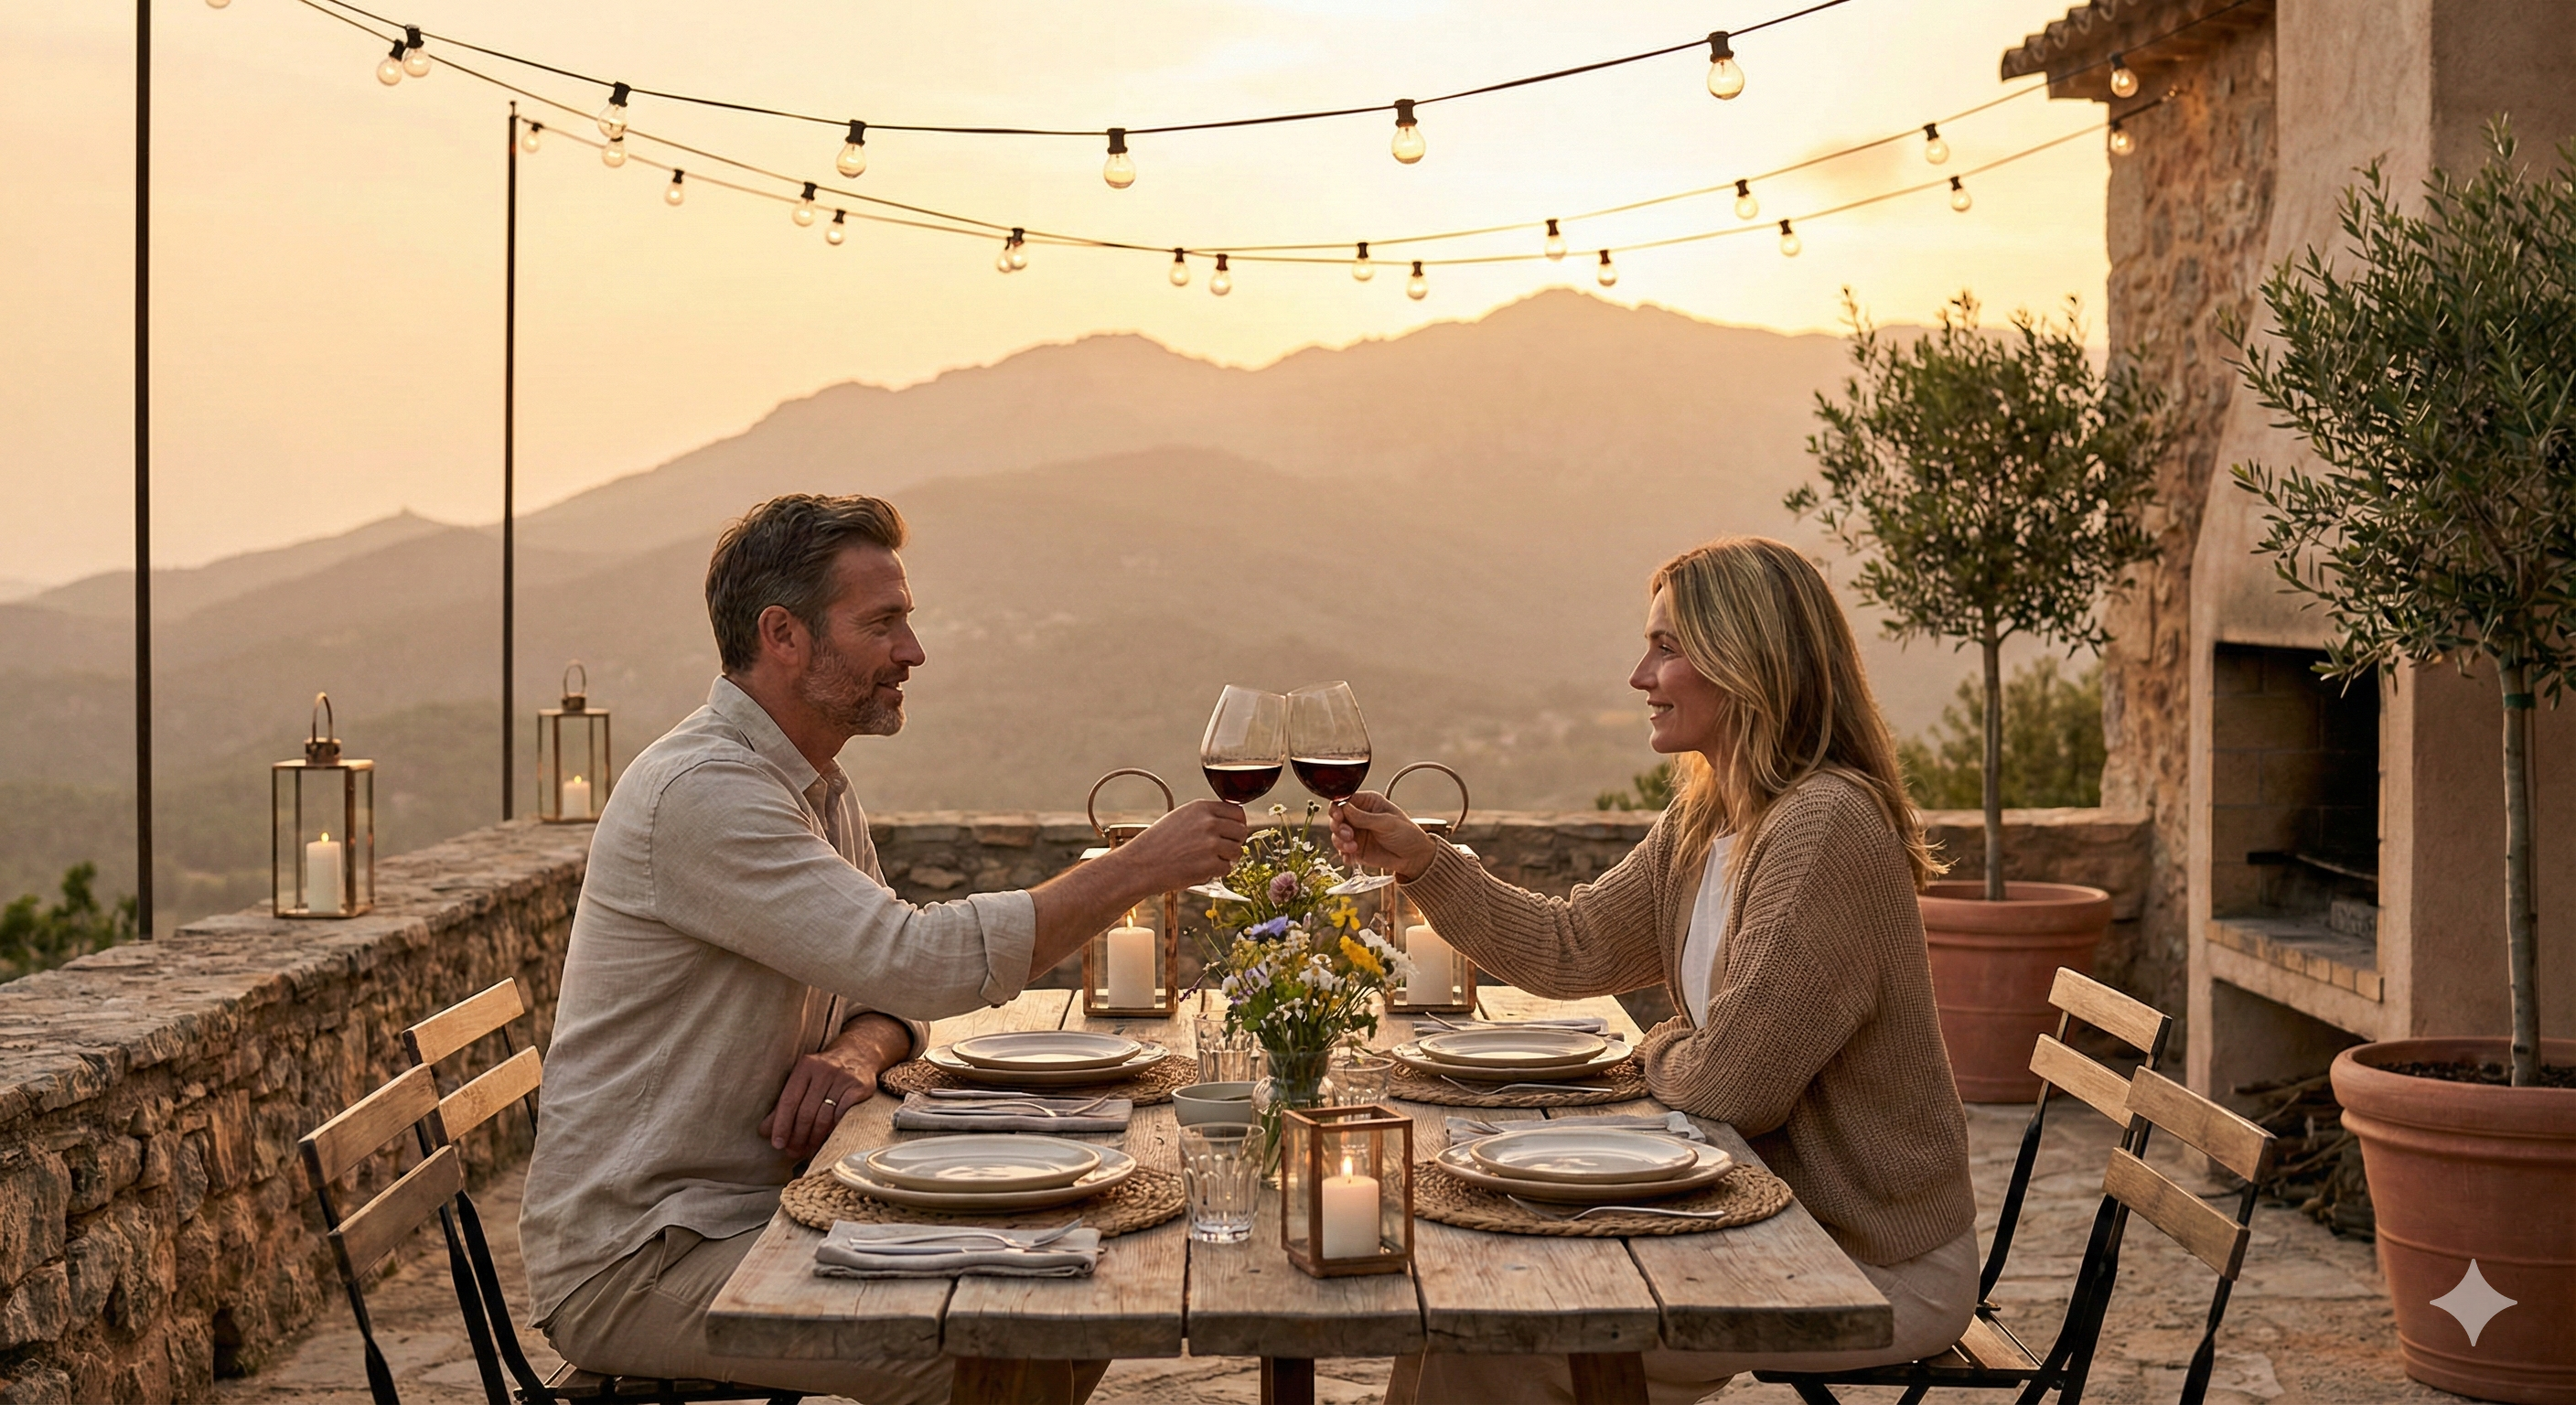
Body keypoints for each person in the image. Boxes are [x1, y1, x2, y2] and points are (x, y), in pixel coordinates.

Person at [519, 493, 1248, 1403]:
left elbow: (887, 979)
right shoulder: (706, 794)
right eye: (882, 623)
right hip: (647, 1257)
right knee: (992, 1338)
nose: (913, 651)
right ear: (783, 635)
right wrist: (1136, 866)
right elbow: (921, 962)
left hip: (759, 1208)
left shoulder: (810, 783)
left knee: (1069, 1287)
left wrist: (861, 1047)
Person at [1333, 535, 1978, 1404]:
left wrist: (1658, 1046)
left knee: (1497, 1339)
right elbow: (1571, 946)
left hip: (1867, 1259)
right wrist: (1423, 862)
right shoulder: (1708, 818)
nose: (1640, 676)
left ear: (1746, 662)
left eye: (1666, 648)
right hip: (1752, 1212)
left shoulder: (1824, 827)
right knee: (1459, 1313)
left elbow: (1731, 1090)